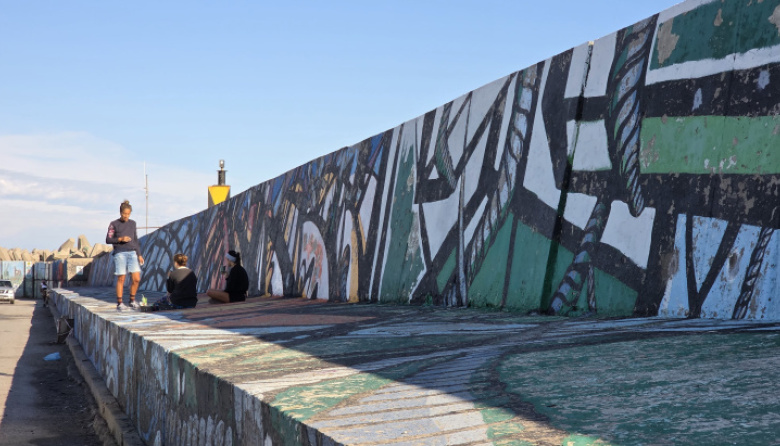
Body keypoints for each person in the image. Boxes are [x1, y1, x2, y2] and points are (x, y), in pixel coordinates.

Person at [106, 200, 145, 311]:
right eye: (124, 214)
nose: (126, 216)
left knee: (136, 279)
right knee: (121, 278)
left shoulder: (133, 223)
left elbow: (135, 240)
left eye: (128, 214)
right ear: (120, 212)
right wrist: (120, 239)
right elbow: (108, 239)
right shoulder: (113, 224)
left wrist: (139, 254)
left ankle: (132, 300)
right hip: (120, 253)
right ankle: (120, 303)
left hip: (132, 253)